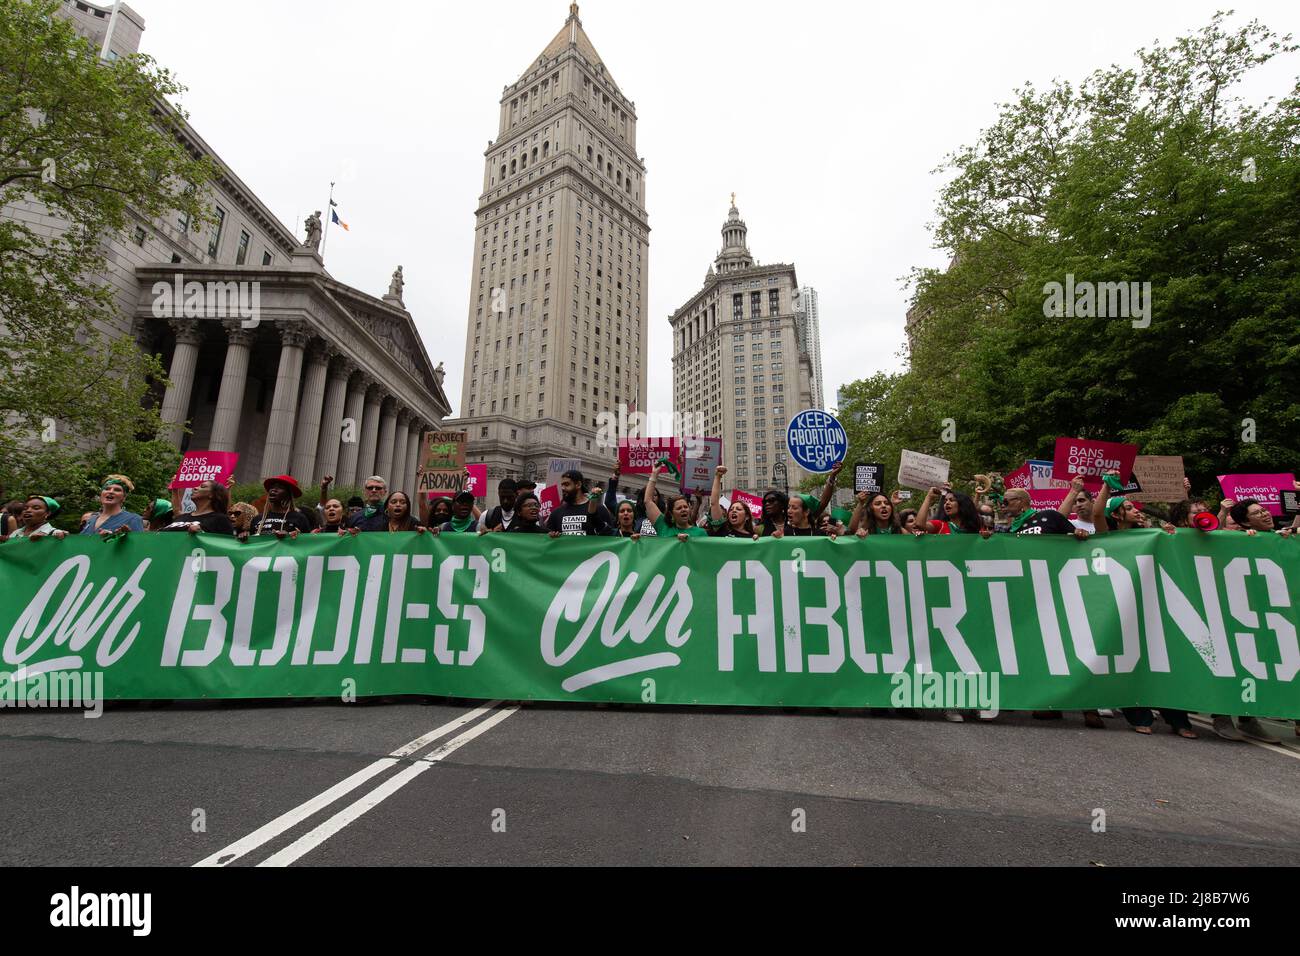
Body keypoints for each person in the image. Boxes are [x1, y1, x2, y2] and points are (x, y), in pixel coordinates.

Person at [1088, 471, 1195, 738]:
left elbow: (1183, 525)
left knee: (1164, 661)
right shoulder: (1108, 536)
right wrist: (1105, 485)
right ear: (1117, 516)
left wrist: (1180, 506)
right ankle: (1138, 714)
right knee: (1129, 663)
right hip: (1121, 611)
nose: (1135, 511)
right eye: (1127, 508)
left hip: (1154, 609)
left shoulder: (1152, 534)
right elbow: (1097, 512)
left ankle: (1178, 718)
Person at [643, 464, 707, 540]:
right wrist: (654, 475)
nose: (683, 509)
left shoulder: (700, 532)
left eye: (685, 507)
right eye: (679, 508)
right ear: (671, 513)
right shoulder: (663, 526)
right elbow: (648, 501)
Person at [547, 469, 614, 536]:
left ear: (578, 485)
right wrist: (552, 536)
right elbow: (546, 539)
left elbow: (610, 538)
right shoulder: (556, 513)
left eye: (566, 484)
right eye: (562, 485)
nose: (563, 488)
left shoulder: (599, 509)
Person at [160, 480, 234, 535]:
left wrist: (201, 533)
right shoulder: (182, 516)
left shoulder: (221, 519)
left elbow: (226, 545)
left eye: (203, 486)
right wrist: (175, 488)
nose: (194, 488)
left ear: (212, 495)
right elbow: (177, 509)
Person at [80, 475, 145, 536]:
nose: (111, 492)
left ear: (124, 497)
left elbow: (140, 545)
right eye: (107, 489)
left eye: (117, 490)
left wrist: (120, 538)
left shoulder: (133, 519)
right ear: (101, 494)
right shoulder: (91, 520)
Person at [603, 463, 657, 535]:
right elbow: (609, 502)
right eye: (648, 495)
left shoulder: (663, 519)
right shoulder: (634, 514)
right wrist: (615, 476)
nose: (651, 497)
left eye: (655, 495)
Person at [917, 485, 990, 536]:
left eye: (951, 500)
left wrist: (986, 537)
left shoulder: (974, 528)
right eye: (945, 501)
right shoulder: (940, 525)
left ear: (962, 504)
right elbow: (920, 524)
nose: (947, 503)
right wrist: (929, 497)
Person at [708, 466, 758, 538]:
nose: (733, 511)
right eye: (731, 509)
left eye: (738, 509)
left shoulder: (751, 537)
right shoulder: (722, 529)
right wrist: (718, 476)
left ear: (747, 517)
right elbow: (714, 503)